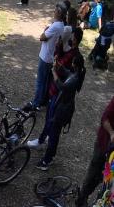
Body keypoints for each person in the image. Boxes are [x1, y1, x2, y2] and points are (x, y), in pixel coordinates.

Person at [31, 31, 85, 170]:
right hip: (61, 105)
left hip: (62, 109)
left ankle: (47, 160)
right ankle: (47, 151)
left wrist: (55, 72)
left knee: (54, 133)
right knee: (52, 129)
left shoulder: (74, 80)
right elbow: (66, 71)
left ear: (75, 65)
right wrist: (58, 65)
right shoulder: (74, 74)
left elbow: (62, 86)